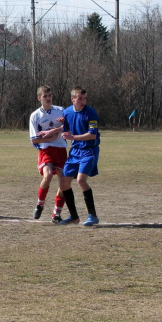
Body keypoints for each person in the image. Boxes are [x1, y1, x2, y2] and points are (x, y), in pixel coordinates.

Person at [58, 87, 100, 226]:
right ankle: (74, 216)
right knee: (64, 183)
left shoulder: (91, 113)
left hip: (89, 150)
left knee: (81, 180)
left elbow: (92, 135)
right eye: (80, 98)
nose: (83, 101)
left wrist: (72, 136)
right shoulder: (67, 112)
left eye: (85, 98)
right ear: (73, 99)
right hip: (75, 151)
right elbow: (66, 130)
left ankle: (92, 215)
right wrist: (61, 130)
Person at [28, 86, 67, 224]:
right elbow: (34, 139)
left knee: (64, 182)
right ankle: (40, 204)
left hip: (61, 149)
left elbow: (69, 125)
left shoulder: (61, 111)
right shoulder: (35, 116)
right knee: (48, 174)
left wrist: (60, 127)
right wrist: (49, 138)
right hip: (46, 149)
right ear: (39, 98)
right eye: (45, 96)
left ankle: (56, 213)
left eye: (50, 95)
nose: (48, 98)